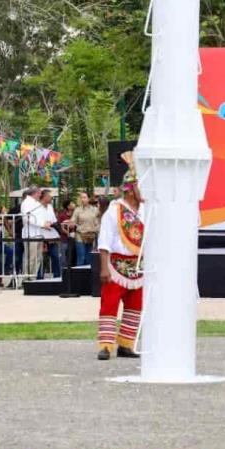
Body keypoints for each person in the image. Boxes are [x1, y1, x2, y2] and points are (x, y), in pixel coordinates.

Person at [96, 152, 145, 360]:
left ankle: (126, 344)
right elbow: (105, 240)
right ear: (131, 189)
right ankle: (106, 345)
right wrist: (104, 267)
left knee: (135, 306)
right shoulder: (114, 211)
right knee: (109, 304)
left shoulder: (146, 210)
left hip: (139, 266)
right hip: (116, 265)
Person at [69, 191, 101, 266]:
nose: (82, 199)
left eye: (84, 197)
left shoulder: (95, 210)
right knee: (81, 257)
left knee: (89, 259)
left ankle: (88, 277)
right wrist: (71, 223)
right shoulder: (77, 210)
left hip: (91, 236)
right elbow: (73, 220)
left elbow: (99, 222)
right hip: (80, 235)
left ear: (88, 199)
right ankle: (79, 276)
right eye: (81, 198)